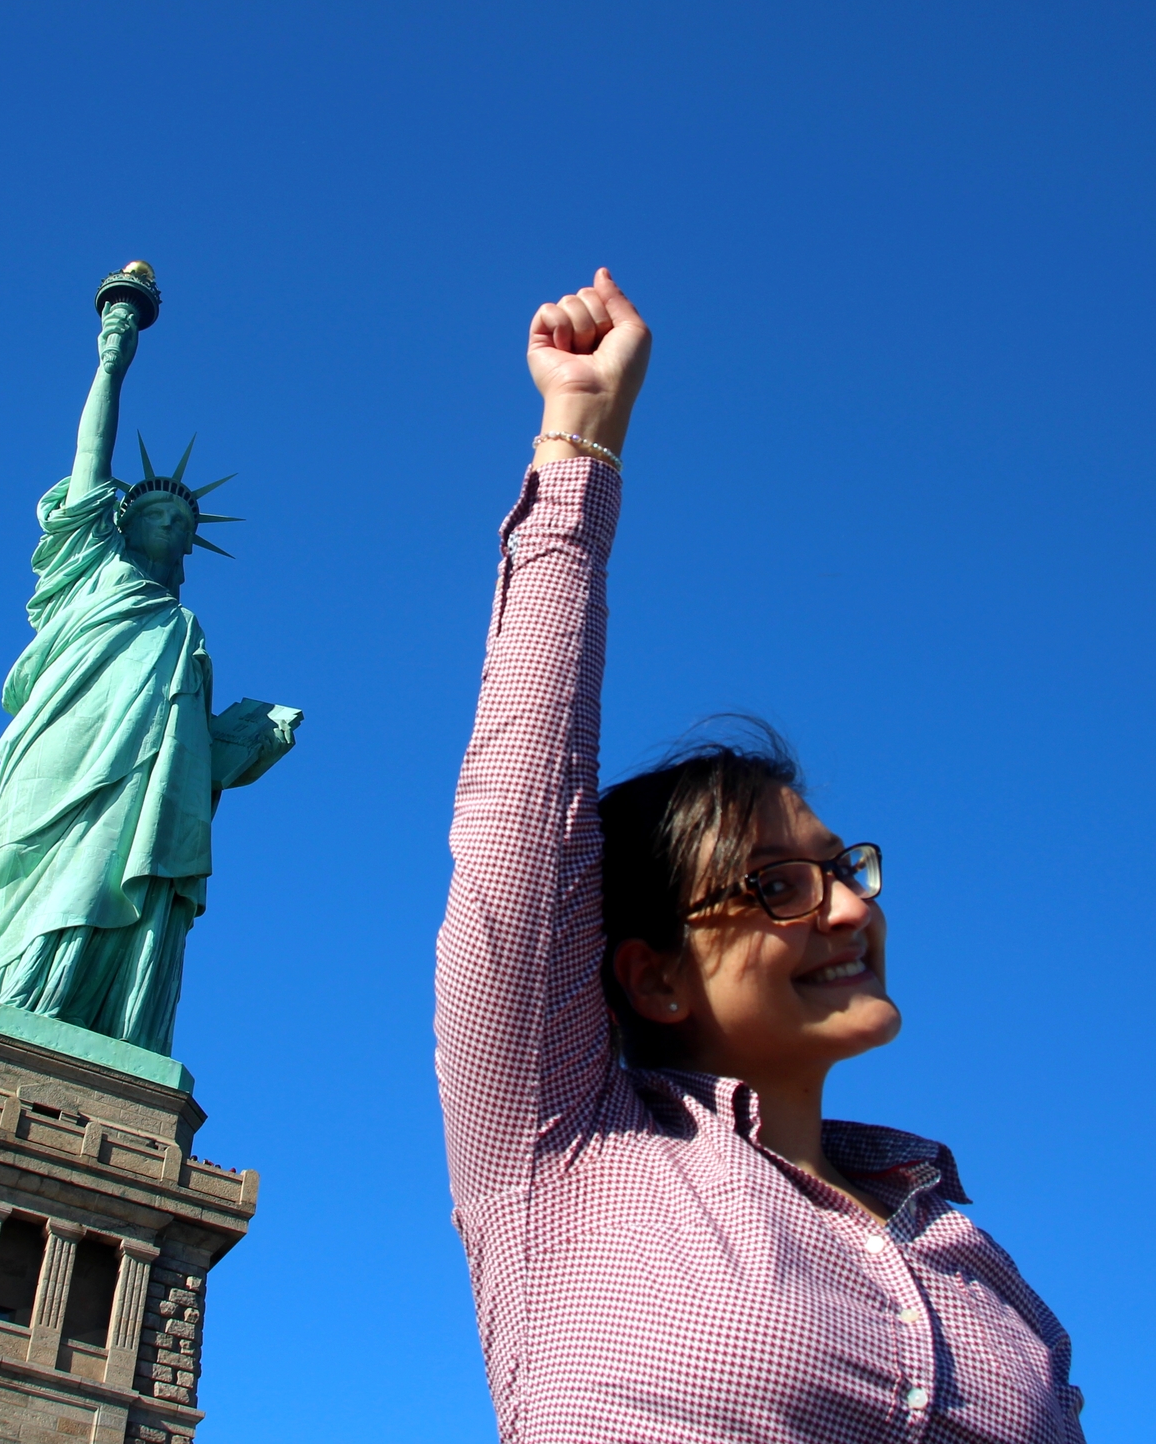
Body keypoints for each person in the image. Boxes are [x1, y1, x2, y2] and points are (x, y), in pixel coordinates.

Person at [438, 268, 1085, 1443]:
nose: (849, 911)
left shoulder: (976, 1261)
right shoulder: (562, 1151)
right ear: (651, 972)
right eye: (778, 885)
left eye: (844, 869)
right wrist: (578, 440)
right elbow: (518, 823)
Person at [0, 272, 298, 1054]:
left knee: (115, 873)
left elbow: (188, 763)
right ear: (123, 523)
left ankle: (89, 1026)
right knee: (12, 863)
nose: (167, 522)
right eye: (154, 510)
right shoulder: (89, 567)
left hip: (138, 785)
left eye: (180, 521)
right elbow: (92, 460)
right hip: (60, 750)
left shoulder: (184, 629)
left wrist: (245, 740)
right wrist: (113, 358)